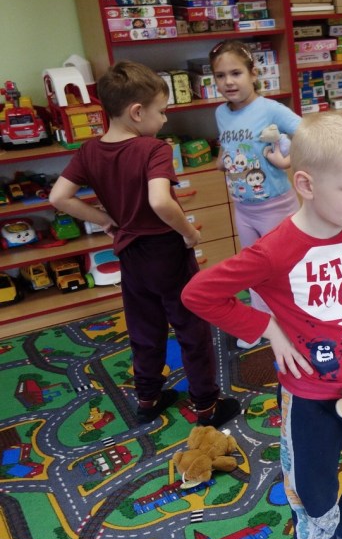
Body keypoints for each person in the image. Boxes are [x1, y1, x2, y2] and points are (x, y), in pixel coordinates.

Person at [181, 112, 342, 539]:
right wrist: (268, 327)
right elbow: (199, 294)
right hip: (308, 401)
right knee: (314, 506)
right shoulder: (276, 248)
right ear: (305, 184)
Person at [49, 61, 240, 428]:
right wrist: (188, 232)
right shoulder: (153, 149)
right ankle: (206, 406)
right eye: (161, 112)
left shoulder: (89, 151)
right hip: (167, 252)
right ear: (137, 112)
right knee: (191, 328)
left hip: (130, 253)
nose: (164, 120)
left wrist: (105, 220)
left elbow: (59, 197)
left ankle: (148, 399)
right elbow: (160, 201)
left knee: (144, 328)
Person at [210, 40, 302, 348]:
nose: (228, 82)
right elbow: (228, 142)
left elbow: (307, 134)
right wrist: (222, 158)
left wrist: (287, 161)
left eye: (236, 73)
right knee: (253, 270)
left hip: (276, 205)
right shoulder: (221, 113)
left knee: (284, 268)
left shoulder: (270, 109)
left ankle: (294, 322)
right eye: (220, 76)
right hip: (243, 207)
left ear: (253, 74)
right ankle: (263, 324)